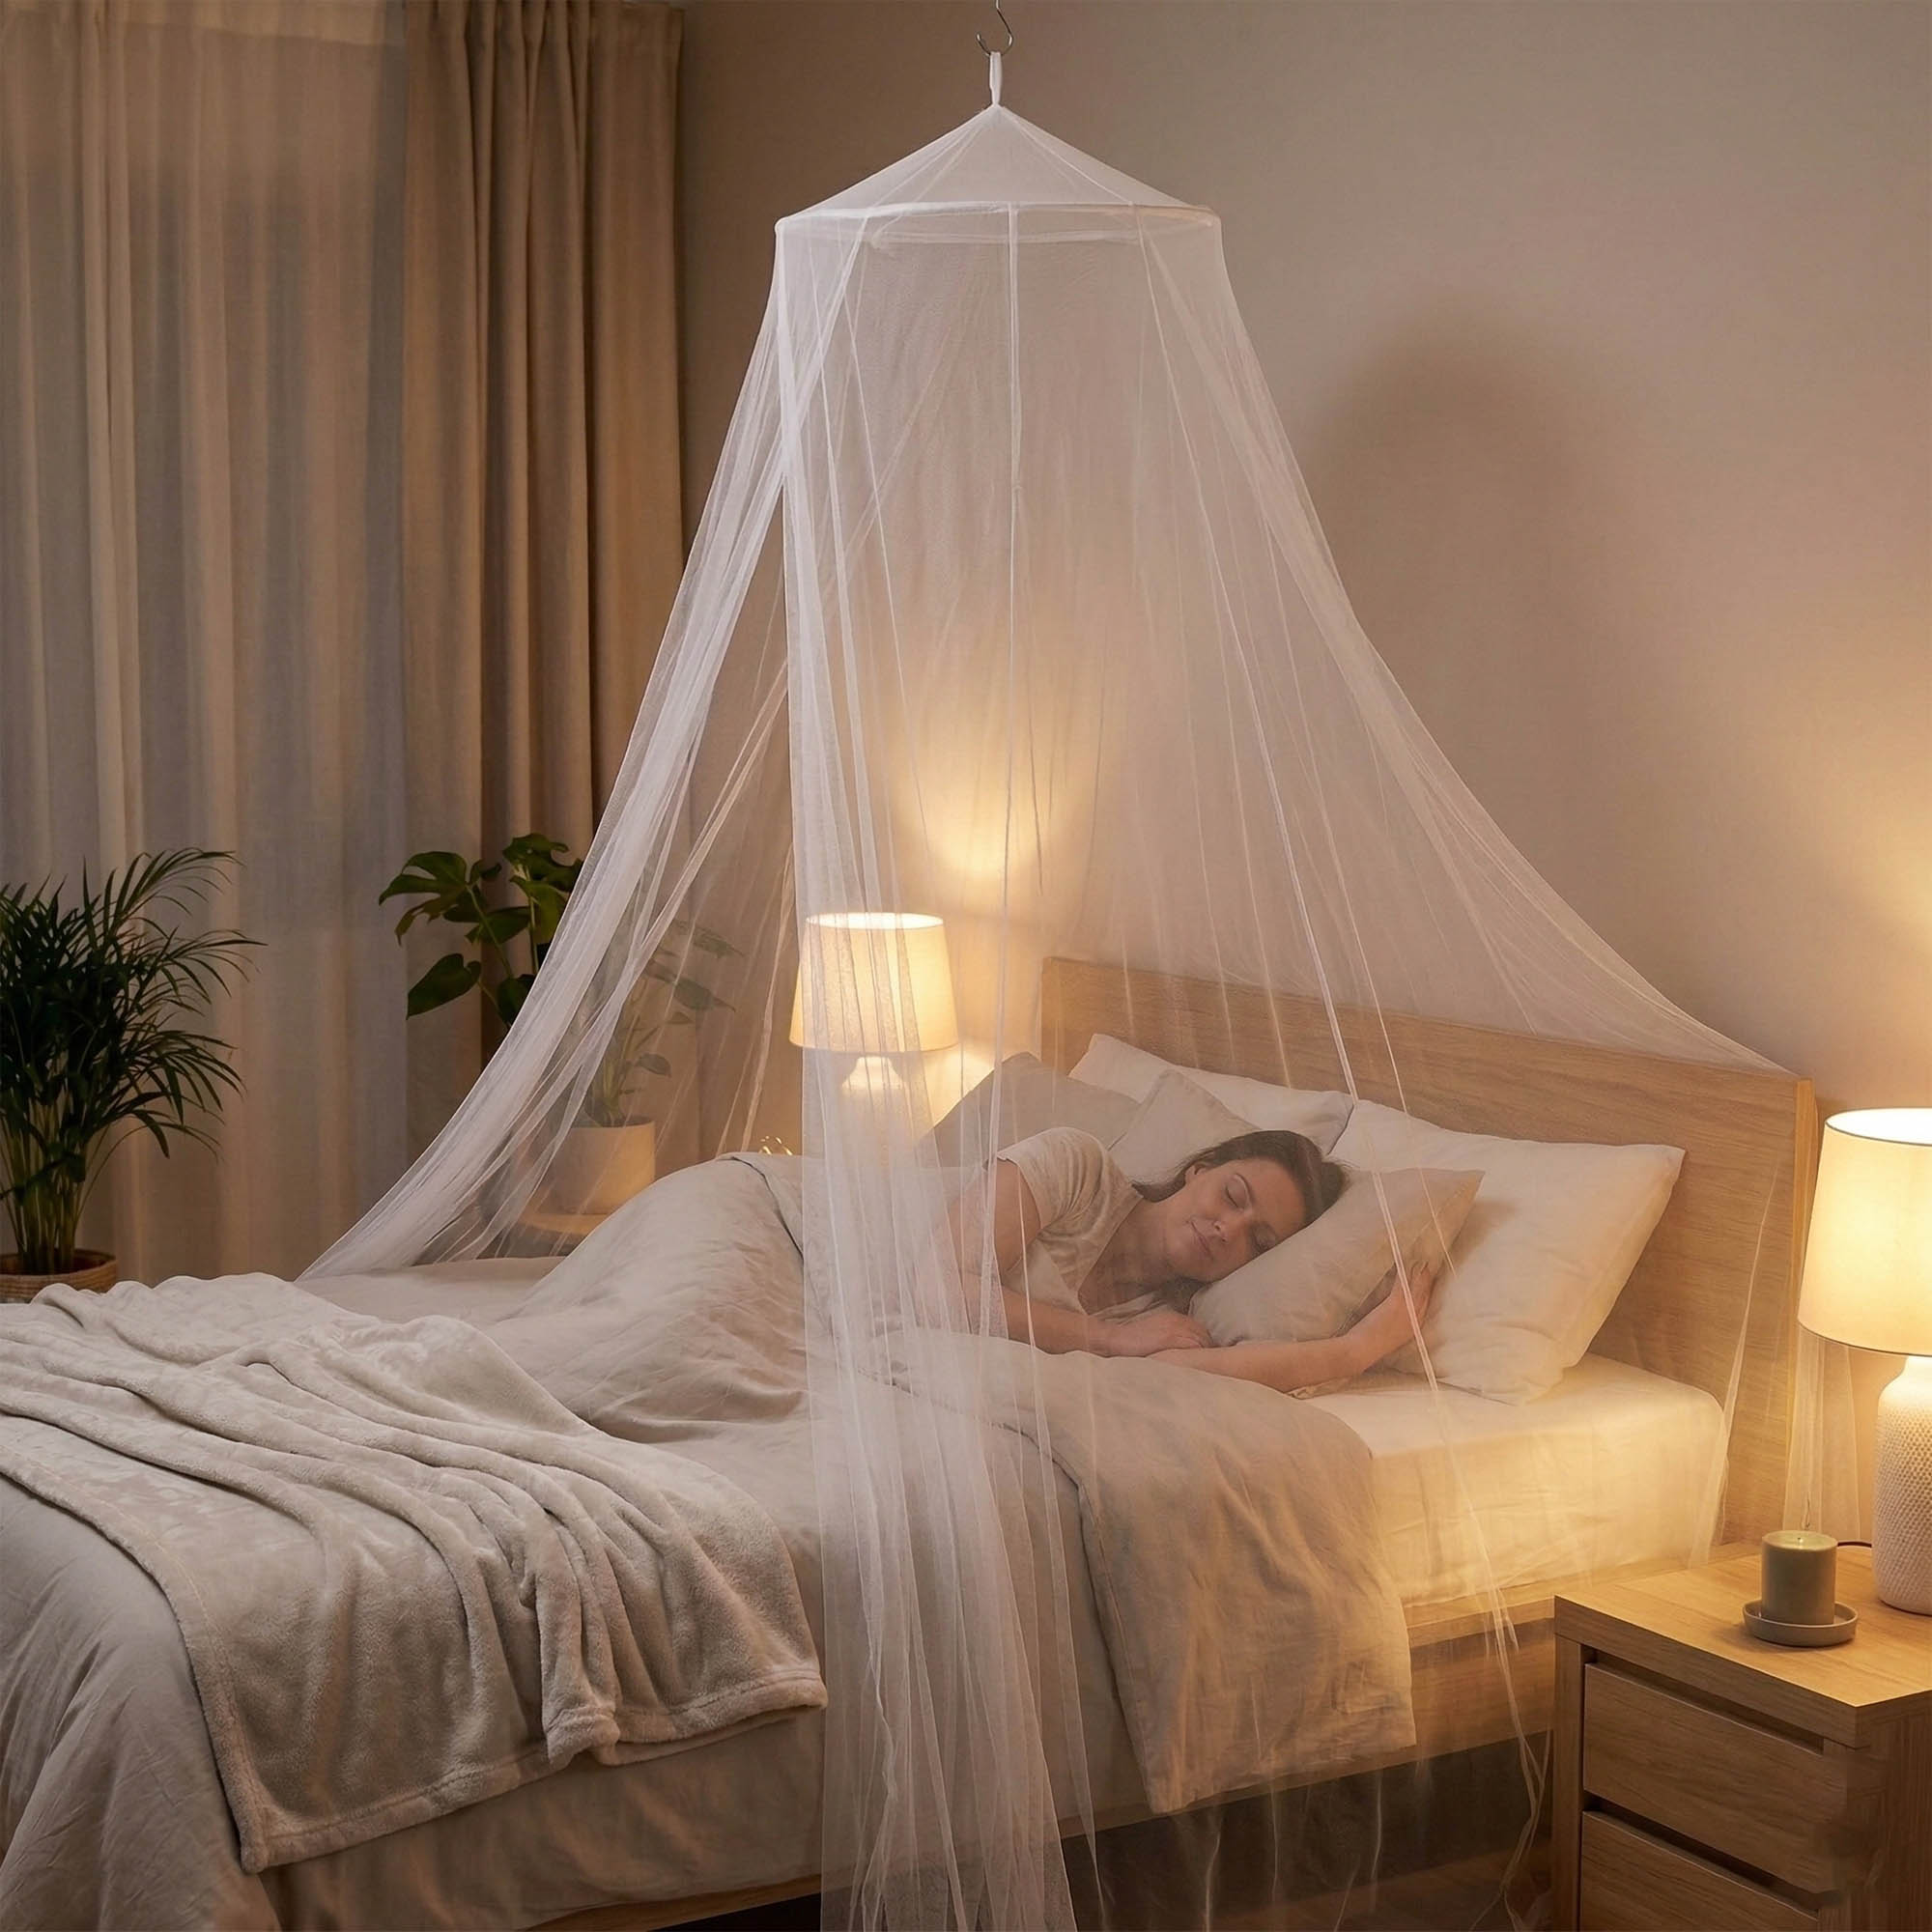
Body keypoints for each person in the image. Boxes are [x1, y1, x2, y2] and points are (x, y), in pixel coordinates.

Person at [951, 1124, 1437, 1392]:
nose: (1230, 1228)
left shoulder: (1171, 1323)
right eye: (1232, 1195)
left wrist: (1355, 1350)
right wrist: (1109, 1338)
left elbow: (1202, 1373)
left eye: (1259, 1241)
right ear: (1197, 1171)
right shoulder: (1076, 1169)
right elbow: (937, 1287)